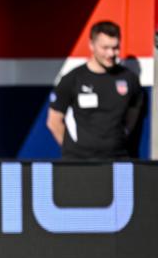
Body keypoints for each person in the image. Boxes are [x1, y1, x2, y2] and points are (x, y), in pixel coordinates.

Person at [46, 21, 144, 158]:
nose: (111, 53)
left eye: (115, 47)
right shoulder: (73, 79)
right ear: (91, 45)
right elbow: (53, 121)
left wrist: (124, 133)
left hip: (117, 158)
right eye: (105, 47)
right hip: (80, 161)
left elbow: (135, 107)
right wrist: (74, 150)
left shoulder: (129, 79)